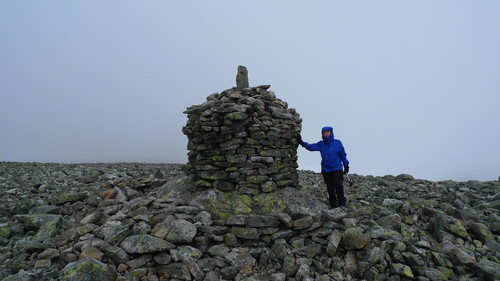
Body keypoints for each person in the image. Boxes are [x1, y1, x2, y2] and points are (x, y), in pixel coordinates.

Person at [297, 126, 350, 209]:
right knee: (330, 187)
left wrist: (346, 164)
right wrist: (302, 143)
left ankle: (342, 203)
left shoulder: (338, 143)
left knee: (338, 185)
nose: (326, 134)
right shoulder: (321, 144)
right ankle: (333, 205)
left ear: (331, 133)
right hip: (326, 169)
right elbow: (311, 147)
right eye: (324, 132)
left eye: (328, 132)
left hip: (337, 168)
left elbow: (343, 154)